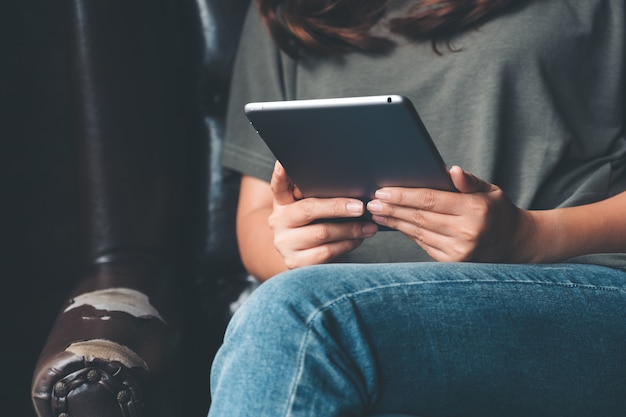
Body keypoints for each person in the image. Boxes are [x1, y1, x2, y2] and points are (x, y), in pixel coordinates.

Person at [209, 0, 626, 416]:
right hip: (348, 314)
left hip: (580, 291)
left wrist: (530, 236)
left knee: (299, 318)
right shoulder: (285, 9)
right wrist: (293, 247)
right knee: (286, 326)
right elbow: (256, 216)